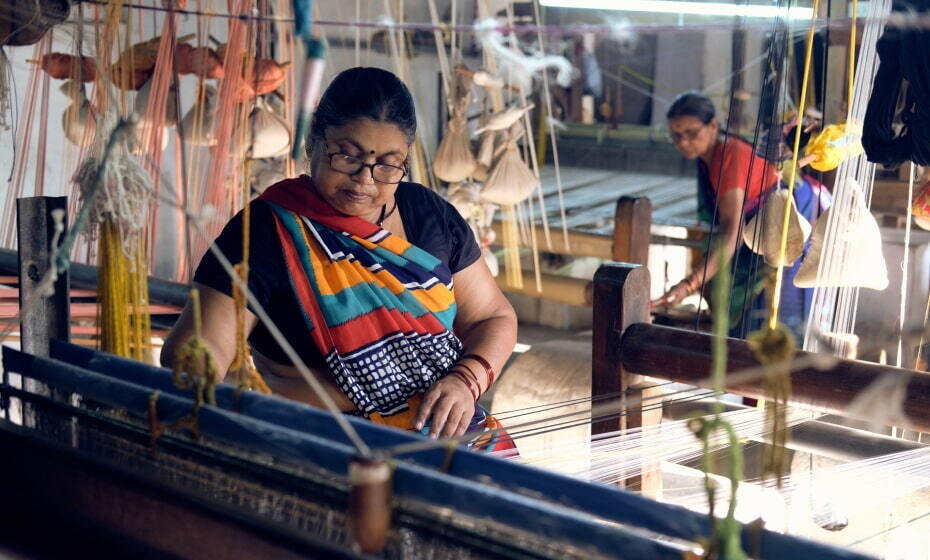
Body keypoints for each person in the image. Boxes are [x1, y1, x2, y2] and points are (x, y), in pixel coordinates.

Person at [162, 67, 518, 452]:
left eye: (387, 164)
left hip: (448, 438)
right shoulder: (267, 231)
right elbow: (200, 351)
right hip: (323, 448)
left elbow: (492, 317)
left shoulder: (429, 215)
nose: (364, 179)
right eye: (346, 156)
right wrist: (213, 385)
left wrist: (464, 382)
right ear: (314, 142)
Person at [654, 91, 830, 338]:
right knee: (735, 301)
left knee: (779, 315)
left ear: (713, 125)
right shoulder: (706, 159)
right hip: (760, 227)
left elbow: (733, 234)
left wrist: (689, 285)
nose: (683, 142)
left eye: (692, 133)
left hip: (792, 223)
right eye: (676, 135)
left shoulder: (730, 157)